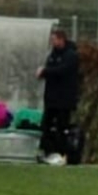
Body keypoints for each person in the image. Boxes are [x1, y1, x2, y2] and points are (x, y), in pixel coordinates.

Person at [35, 26, 80, 166]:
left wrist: (45, 71)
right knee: (47, 126)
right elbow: (51, 70)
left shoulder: (71, 55)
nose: (52, 42)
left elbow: (62, 71)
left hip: (64, 99)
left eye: (54, 39)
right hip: (51, 99)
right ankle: (48, 152)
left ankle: (62, 154)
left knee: (62, 127)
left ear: (61, 39)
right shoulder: (53, 55)